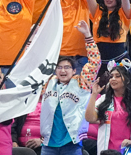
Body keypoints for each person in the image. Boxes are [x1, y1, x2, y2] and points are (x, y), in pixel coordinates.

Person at [40, 21, 99, 155]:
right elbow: (35, 63)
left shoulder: (81, 83)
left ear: (74, 71)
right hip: (48, 144)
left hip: (71, 144)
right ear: (55, 70)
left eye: (67, 67)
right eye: (59, 67)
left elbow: (95, 62)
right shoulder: (48, 82)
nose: (63, 70)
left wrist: (88, 36)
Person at [86, 60, 131, 153]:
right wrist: (94, 94)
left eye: (117, 76)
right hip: (105, 151)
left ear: (127, 80)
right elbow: (90, 118)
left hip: (127, 150)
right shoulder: (104, 99)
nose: (113, 79)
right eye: (111, 76)